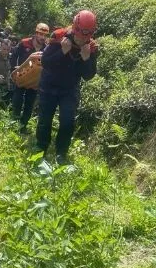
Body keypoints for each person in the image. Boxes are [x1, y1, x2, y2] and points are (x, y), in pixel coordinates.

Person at [36, 10, 98, 164]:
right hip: (49, 86)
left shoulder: (91, 47)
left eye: (86, 37)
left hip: (69, 90)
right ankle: (41, 149)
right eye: (79, 36)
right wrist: (62, 52)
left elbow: (89, 76)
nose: (81, 40)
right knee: (45, 119)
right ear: (74, 28)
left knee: (68, 121)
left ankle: (61, 153)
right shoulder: (58, 37)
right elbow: (45, 62)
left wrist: (86, 59)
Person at [10, 23, 49, 134]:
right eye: (40, 34)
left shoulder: (46, 48)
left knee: (29, 104)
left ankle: (23, 126)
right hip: (22, 76)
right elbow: (13, 56)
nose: (42, 37)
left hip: (34, 81)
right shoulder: (24, 43)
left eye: (45, 35)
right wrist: (14, 68)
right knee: (17, 100)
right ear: (36, 33)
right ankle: (14, 123)